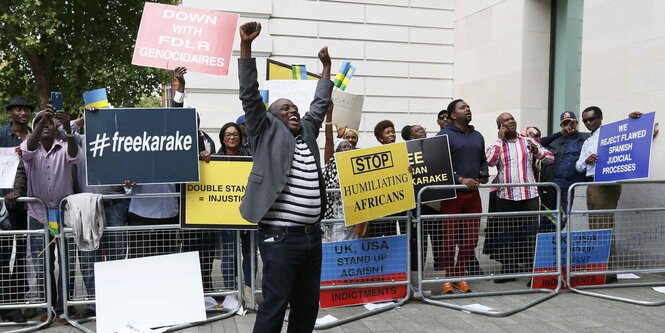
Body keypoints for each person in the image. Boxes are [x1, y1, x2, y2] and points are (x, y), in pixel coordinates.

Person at [237, 21, 333, 333]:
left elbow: (318, 106)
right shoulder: (264, 131)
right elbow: (249, 94)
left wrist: (327, 69)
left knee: (308, 306)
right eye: (284, 108)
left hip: (311, 237)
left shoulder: (306, 132)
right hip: (280, 238)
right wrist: (247, 46)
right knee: (276, 305)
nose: (292, 111)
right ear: (271, 116)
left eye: (294, 108)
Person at [575, 107, 659, 283]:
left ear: (600, 118)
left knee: (604, 227)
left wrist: (636, 121)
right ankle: (599, 268)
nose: (588, 123)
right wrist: (586, 160)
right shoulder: (587, 141)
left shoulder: (608, 134)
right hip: (590, 183)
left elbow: (629, 136)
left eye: (592, 119)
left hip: (606, 185)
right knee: (595, 228)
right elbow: (578, 167)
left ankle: (608, 271)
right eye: (585, 120)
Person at [21, 106, 83, 317]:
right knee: (41, 265)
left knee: (66, 263)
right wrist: (42, 121)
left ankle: (64, 307)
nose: (45, 124)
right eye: (41, 122)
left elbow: (75, 156)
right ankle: (47, 307)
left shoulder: (64, 145)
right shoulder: (29, 147)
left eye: (49, 122)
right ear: (35, 127)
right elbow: (28, 149)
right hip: (38, 216)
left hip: (63, 215)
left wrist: (67, 128)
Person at [486, 112, 553, 282]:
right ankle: (508, 270)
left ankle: (533, 273)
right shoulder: (497, 145)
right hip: (505, 196)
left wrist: (537, 150)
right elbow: (490, 161)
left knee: (530, 235)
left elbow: (550, 158)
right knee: (506, 234)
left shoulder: (527, 141)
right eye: (506, 121)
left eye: (512, 119)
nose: (511, 122)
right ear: (500, 127)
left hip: (529, 195)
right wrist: (500, 140)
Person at [436, 99, 488, 293]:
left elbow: (482, 160)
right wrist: (460, 179)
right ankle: (448, 278)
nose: (467, 109)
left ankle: (460, 275)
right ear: (452, 115)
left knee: (471, 240)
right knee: (449, 239)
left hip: (473, 195)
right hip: (452, 195)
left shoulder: (478, 136)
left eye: (468, 106)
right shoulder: (444, 136)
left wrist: (483, 173)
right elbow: (439, 164)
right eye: (462, 107)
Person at [214, 122, 254, 304]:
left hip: (249, 214)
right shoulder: (215, 158)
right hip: (226, 215)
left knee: (250, 253)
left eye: (235, 134)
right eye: (228, 134)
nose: (232, 137)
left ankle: (249, 289)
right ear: (222, 138)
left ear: (241, 137)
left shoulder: (250, 156)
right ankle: (231, 291)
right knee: (229, 254)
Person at [0, 96, 31, 322]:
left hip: (27, 204)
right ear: (10, 113)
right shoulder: (2, 134)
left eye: (26, 109)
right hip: (3, 204)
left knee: (22, 255)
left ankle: (15, 303)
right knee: (2, 256)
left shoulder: (33, 136)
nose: (23, 113)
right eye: (18, 109)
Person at [538, 112, 588, 229]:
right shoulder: (554, 140)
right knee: (548, 219)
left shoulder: (586, 139)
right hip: (551, 186)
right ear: (561, 125)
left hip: (568, 186)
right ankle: (546, 244)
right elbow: (539, 143)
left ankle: (555, 243)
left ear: (576, 123)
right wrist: (561, 133)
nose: (568, 125)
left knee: (563, 218)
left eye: (571, 122)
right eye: (565, 123)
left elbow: (604, 136)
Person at [323, 101, 355, 241]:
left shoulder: (357, 165)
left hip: (354, 215)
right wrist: (329, 116)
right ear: (336, 152)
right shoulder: (331, 164)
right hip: (336, 216)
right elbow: (329, 140)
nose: (347, 149)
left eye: (349, 147)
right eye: (343, 147)